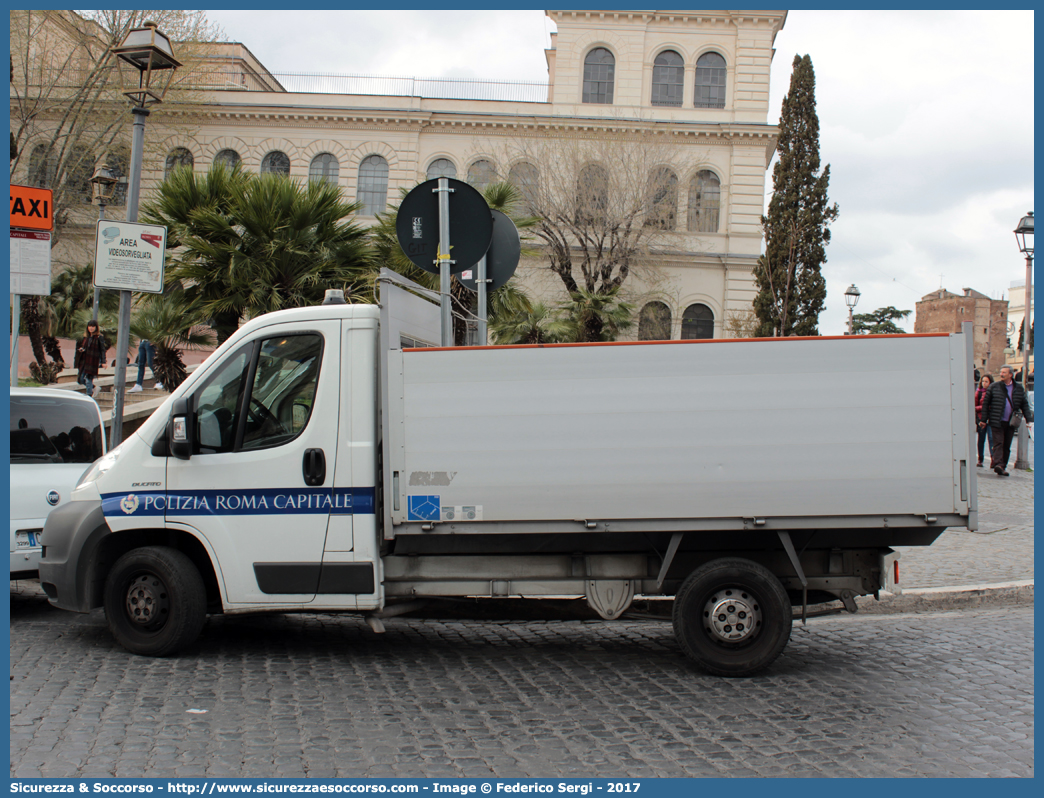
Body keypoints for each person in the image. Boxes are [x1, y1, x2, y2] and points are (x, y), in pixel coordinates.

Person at [979, 364, 1033, 476]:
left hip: (1011, 422)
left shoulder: (1018, 388)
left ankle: (1002, 466)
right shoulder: (994, 386)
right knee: (998, 443)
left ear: (1010, 374)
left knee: (1007, 445)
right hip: (996, 420)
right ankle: (998, 464)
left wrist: (1029, 420)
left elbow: (1024, 405)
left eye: (1004, 372)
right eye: (1001, 372)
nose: (1001, 374)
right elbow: (986, 404)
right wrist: (984, 419)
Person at [74, 320, 108, 399]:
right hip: (84, 360)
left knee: (89, 378)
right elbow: (85, 347)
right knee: (81, 379)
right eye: (90, 326)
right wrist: (82, 349)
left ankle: (89, 395)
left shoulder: (99, 337)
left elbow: (102, 350)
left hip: (93, 360)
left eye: (93, 326)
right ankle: (94, 387)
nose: (91, 328)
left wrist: (103, 361)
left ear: (96, 327)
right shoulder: (86, 337)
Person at [974, 374, 993, 467]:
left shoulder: (993, 391)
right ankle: (980, 459)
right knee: (981, 439)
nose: (984, 383)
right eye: (983, 381)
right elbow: (974, 407)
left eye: (986, 381)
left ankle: (993, 459)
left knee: (992, 439)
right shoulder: (979, 392)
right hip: (981, 419)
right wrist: (984, 407)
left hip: (991, 419)